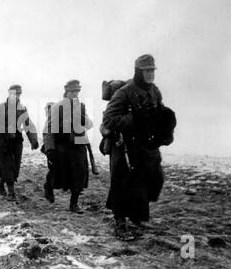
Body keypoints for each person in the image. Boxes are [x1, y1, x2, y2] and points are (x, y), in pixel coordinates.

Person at [101, 54, 172, 241]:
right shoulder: (124, 92)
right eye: (147, 71)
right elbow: (109, 119)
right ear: (138, 72)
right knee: (122, 181)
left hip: (145, 144)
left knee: (152, 179)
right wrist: (135, 119)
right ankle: (120, 221)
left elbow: (159, 111)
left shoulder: (154, 91)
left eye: (152, 71)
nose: (150, 74)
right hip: (124, 144)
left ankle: (138, 217)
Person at [42, 80, 93, 214]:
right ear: (66, 92)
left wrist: (83, 119)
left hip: (79, 145)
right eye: (73, 91)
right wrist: (50, 148)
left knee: (80, 173)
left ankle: (74, 203)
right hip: (62, 145)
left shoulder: (81, 106)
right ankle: (48, 187)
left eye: (77, 91)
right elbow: (48, 129)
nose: (75, 94)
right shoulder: (57, 107)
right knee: (57, 172)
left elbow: (89, 125)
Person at [0, 85, 39, 201]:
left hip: (16, 140)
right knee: (7, 165)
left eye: (18, 94)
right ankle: (11, 192)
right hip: (2, 140)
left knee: (15, 167)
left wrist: (33, 140)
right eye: (14, 94)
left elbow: (28, 124)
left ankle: (1, 182)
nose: (16, 96)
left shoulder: (22, 109)